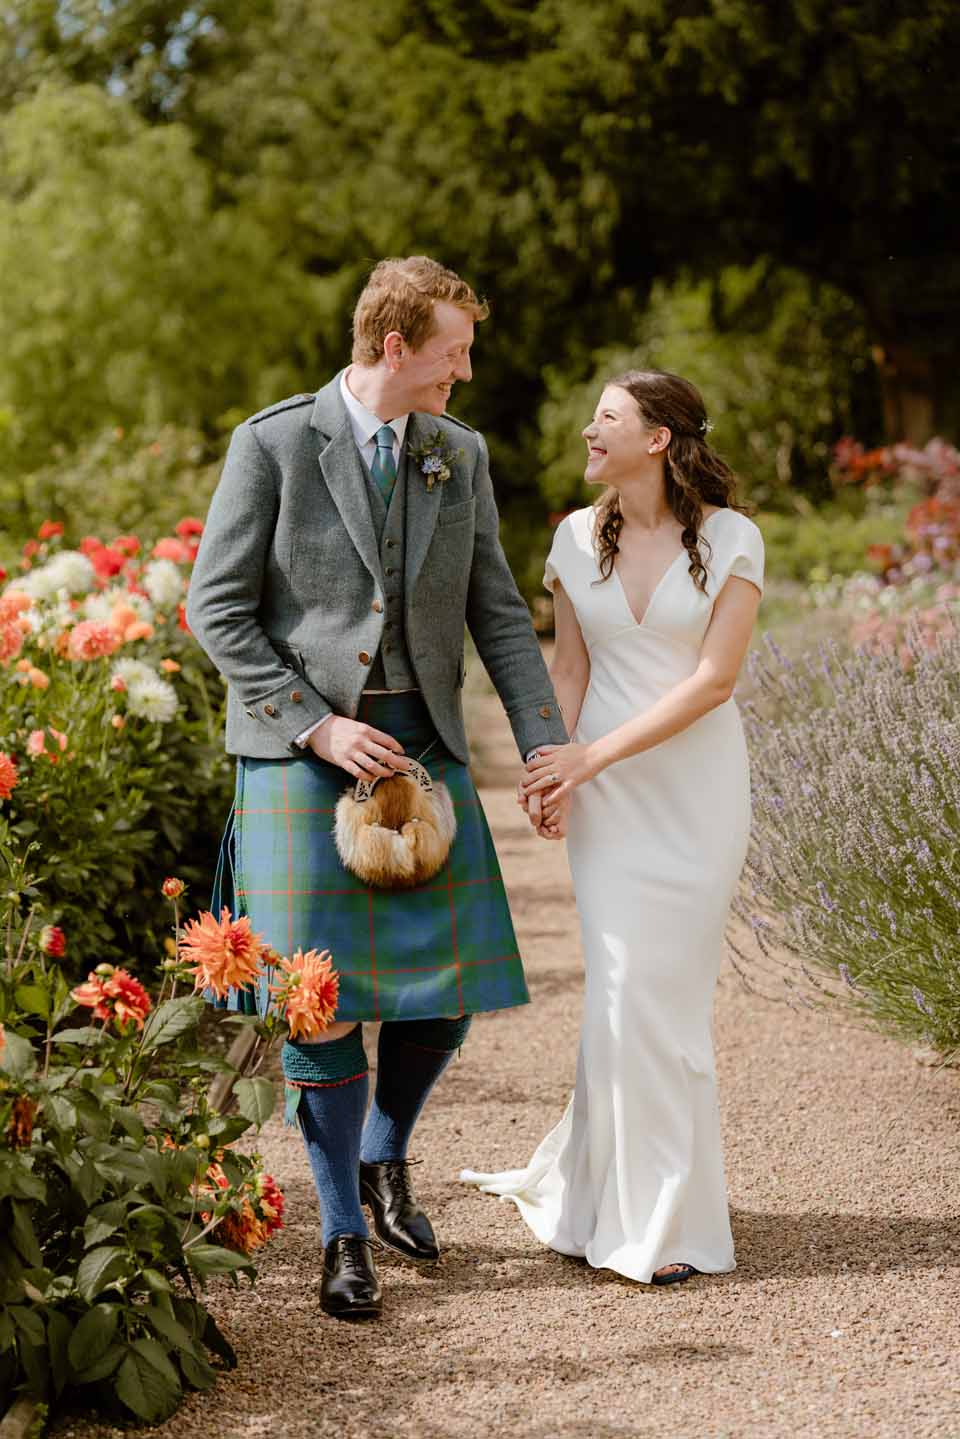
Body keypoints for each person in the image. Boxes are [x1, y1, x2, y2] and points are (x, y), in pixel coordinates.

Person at [186, 256, 567, 1319]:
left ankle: (381, 1155)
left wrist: (544, 743)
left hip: (423, 740)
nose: (466, 372)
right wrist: (315, 722)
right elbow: (215, 609)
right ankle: (343, 1237)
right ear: (395, 347)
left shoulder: (459, 454)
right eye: (455, 352)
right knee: (317, 1002)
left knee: (445, 993)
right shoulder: (272, 442)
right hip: (304, 749)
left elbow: (498, 611)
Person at [461, 369, 764, 1284]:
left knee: (658, 1000)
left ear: (660, 439)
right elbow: (569, 673)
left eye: (608, 417)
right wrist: (553, 763)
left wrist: (593, 756)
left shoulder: (732, 539)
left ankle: (647, 1210)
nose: (589, 430)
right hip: (607, 803)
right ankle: (633, 1212)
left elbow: (714, 682)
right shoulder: (569, 538)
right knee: (622, 989)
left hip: (694, 794)